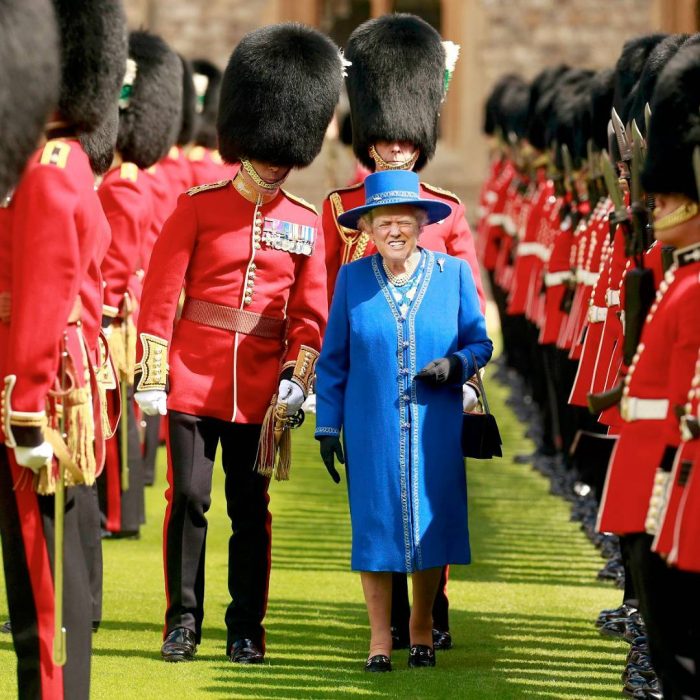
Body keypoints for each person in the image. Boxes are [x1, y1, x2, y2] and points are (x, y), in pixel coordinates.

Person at [133, 23, 343, 664]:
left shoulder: (305, 224)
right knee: (190, 501)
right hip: (194, 379)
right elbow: (160, 295)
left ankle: (246, 627)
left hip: (259, 391)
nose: (278, 158)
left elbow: (310, 315)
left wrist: (296, 376)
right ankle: (183, 621)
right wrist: (152, 369)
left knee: (251, 510)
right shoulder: (199, 207)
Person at [323, 12, 485, 651]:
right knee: (380, 505)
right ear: (367, 138)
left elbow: (466, 295)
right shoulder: (340, 208)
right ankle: (385, 627)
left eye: (406, 142)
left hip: (435, 374)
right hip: (367, 370)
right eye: (386, 140)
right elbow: (329, 298)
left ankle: (430, 612)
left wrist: (468, 376)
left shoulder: (447, 208)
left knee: (433, 492)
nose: (396, 149)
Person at [315, 169, 492, 672]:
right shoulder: (352, 279)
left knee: (431, 527)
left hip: (434, 423)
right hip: (370, 425)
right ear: (368, 229)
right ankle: (377, 638)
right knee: (374, 528)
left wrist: (457, 365)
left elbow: (481, 342)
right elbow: (334, 360)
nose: (394, 231)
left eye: (404, 222)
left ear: (421, 224)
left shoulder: (452, 274)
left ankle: (419, 629)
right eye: (383, 223)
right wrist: (328, 426)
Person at [0, 1, 127, 697]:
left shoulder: (46, 170)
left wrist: (25, 408)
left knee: (37, 578)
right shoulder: (65, 159)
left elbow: (46, 294)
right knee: (50, 563)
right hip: (58, 375)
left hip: (35, 387)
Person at [98, 30, 183, 539]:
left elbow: (119, 257)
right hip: (129, 299)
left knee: (114, 417)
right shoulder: (132, 178)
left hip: (118, 309)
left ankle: (117, 512)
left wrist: (109, 308)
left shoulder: (125, 183)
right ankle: (119, 509)